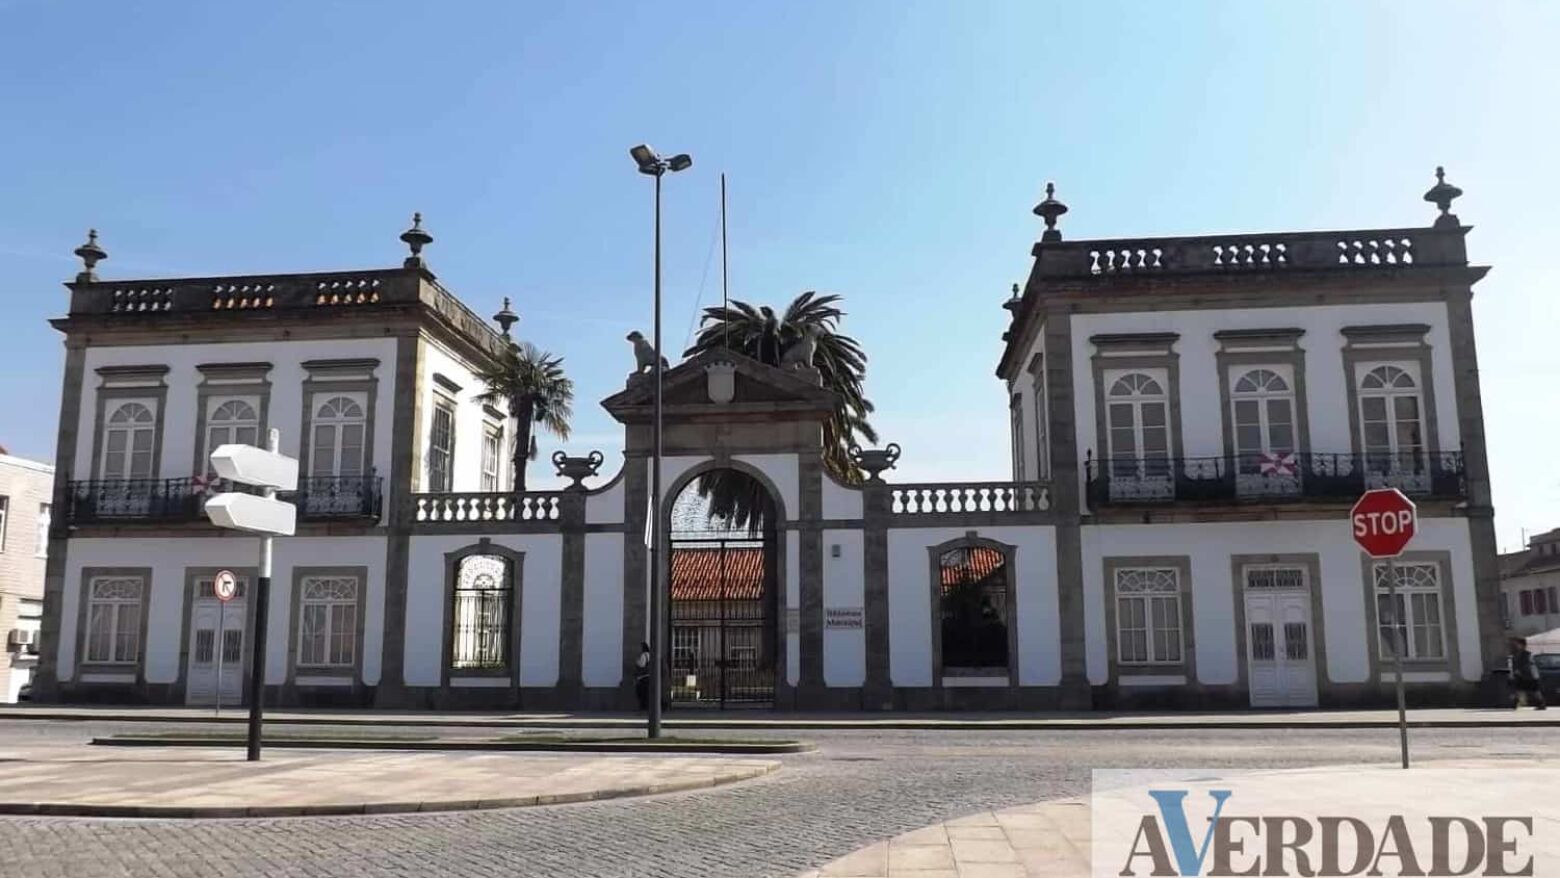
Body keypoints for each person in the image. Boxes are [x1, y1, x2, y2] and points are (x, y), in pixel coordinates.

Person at [1508, 637, 1547, 710]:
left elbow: (1527, 665)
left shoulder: (1527, 654)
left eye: (1518, 644)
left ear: (1523, 645)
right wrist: (1514, 673)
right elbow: (1514, 664)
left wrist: (1520, 670)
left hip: (1529, 676)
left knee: (1535, 690)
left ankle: (1541, 704)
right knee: (1517, 689)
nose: (1516, 645)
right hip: (1520, 676)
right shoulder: (1515, 654)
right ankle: (1515, 703)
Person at [634, 641, 652, 711]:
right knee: (646, 693)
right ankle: (645, 707)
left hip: (643, 677)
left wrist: (637, 661)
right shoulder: (650, 654)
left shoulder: (643, 655)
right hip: (648, 676)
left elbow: (641, 665)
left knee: (641, 693)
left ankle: (643, 708)